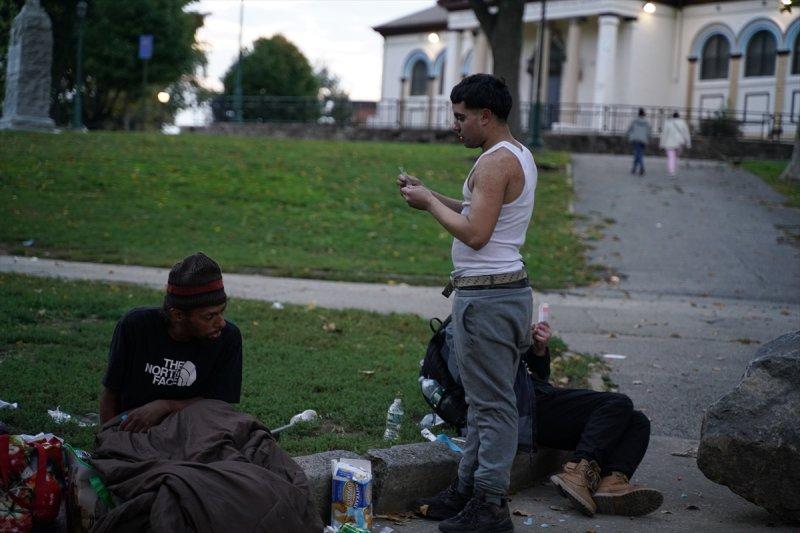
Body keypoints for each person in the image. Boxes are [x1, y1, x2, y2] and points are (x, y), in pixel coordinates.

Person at [399, 73, 537, 533]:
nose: (454, 125)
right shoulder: (514, 155)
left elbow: (476, 235)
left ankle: (491, 505)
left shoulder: (495, 163)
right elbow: (477, 214)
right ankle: (467, 491)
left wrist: (430, 207)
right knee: (482, 404)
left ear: (485, 115)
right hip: (495, 294)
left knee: (493, 407)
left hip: (490, 298)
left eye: (460, 117)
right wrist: (428, 197)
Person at [527, 322, 664, 517]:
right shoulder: (483, 328)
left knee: (637, 422)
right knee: (619, 403)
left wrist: (538, 350)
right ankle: (578, 473)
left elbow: (537, 374)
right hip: (524, 407)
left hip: (539, 398)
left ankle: (610, 484)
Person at [99, 252, 242, 432]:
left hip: (194, 431)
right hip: (135, 430)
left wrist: (166, 406)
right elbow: (111, 392)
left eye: (222, 312)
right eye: (210, 316)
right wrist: (108, 437)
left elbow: (219, 406)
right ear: (178, 315)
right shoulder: (136, 326)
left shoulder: (228, 337)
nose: (221, 322)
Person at [659, 112, 691, 176]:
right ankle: (675, 169)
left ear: (672, 117)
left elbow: (664, 134)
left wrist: (662, 144)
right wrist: (688, 143)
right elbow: (686, 133)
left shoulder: (668, 123)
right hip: (679, 143)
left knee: (671, 157)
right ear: (679, 116)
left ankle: (672, 171)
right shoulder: (683, 123)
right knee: (676, 157)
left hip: (669, 143)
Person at [626, 108, 651, 176]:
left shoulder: (634, 121)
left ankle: (641, 167)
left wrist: (627, 135)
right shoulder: (647, 122)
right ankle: (634, 169)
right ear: (644, 114)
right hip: (643, 140)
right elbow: (649, 132)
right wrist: (649, 138)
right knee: (639, 154)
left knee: (637, 154)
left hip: (636, 139)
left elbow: (629, 129)